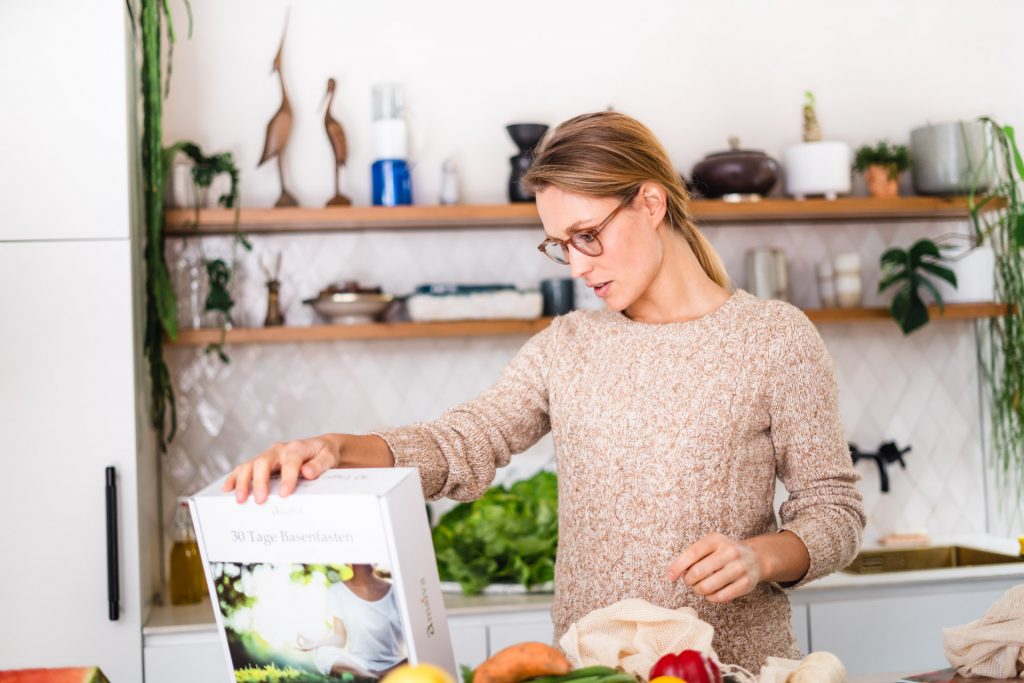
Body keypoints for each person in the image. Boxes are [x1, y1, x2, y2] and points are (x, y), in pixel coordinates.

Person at [224, 111, 866, 672]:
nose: (579, 265)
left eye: (589, 235)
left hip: (732, 668)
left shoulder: (774, 338)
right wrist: (336, 447)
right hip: (589, 668)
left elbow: (834, 512)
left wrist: (761, 557)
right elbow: (463, 442)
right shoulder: (569, 345)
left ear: (651, 202)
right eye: (562, 246)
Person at [296, 563, 407, 679]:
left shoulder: (397, 590)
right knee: (322, 653)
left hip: (395, 664)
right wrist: (315, 643)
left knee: (417, 656)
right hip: (360, 664)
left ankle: (371, 677)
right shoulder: (337, 591)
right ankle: (373, 677)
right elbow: (340, 639)